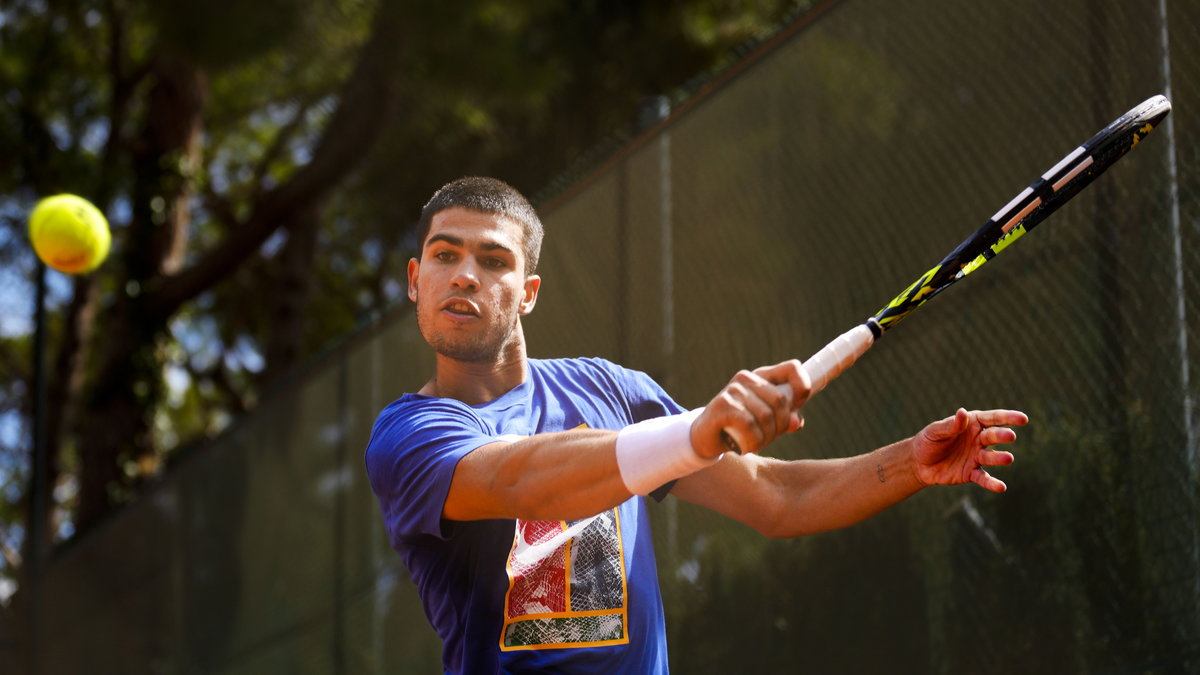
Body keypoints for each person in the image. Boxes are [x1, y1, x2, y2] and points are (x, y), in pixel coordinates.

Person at [365, 176, 1027, 673]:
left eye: (494, 260)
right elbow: (522, 478)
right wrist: (692, 434)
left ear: (529, 293)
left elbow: (775, 494)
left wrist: (909, 463)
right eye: (446, 256)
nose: (466, 276)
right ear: (416, 281)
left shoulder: (610, 390)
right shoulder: (408, 435)